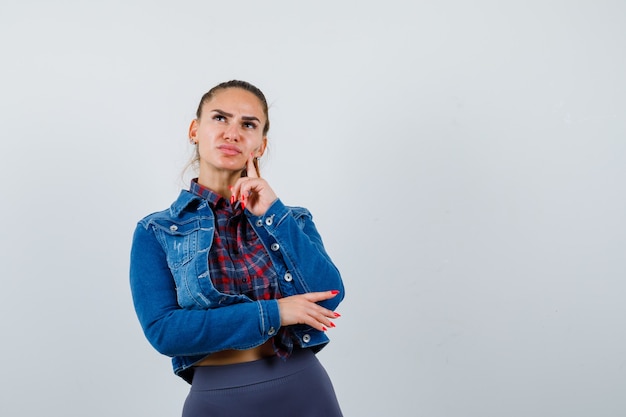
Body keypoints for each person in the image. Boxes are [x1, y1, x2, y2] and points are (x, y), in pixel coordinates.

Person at [129, 80, 345, 417]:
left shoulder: (291, 219)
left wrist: (273, 214)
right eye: (220, 118)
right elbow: (165, 332)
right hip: (217, 399)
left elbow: (328, 297)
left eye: (248, 124)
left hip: (304, 388)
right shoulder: (156, 232)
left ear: (260, 145)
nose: (233, 133)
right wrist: (276, 313)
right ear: (194, 130)